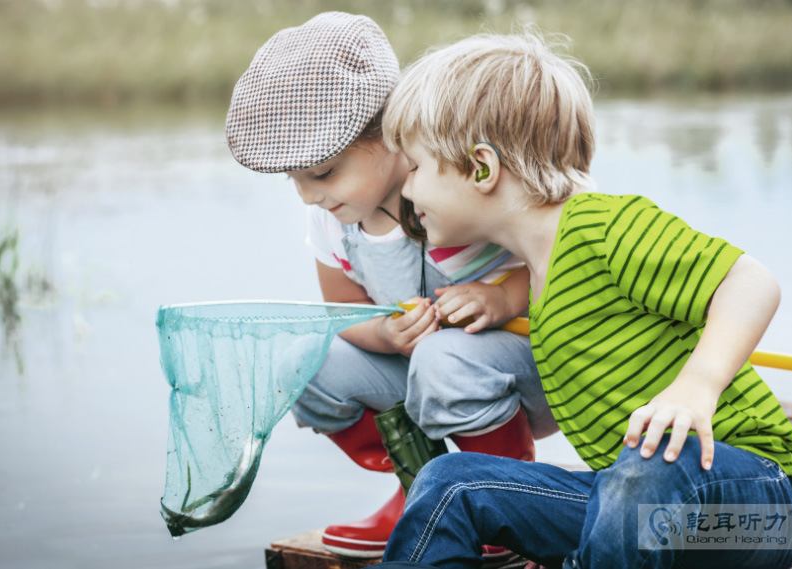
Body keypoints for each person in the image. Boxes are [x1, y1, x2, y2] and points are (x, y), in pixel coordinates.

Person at [374, 30, 792, 569]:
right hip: (635, 511)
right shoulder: (536, 275)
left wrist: (696, 387)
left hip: (761, 515)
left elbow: (752, 284)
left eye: (416, 168)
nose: (408, 191)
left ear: (482, 168)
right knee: (448, 482)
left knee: (649, 465)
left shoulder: (603, 227)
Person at [225, 13, 558, 560]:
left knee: (446, 359)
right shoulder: (332, 218)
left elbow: (554, 254)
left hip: (522, 374)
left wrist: (500, 297)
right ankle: (420, 489)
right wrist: (385, 333)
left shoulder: (451, 184)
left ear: (392, 132)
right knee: (300, 358)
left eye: (325, 172)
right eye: (295, 179)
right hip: (427, 372)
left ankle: (506, 501)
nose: (309, 196)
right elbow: (342, 310)